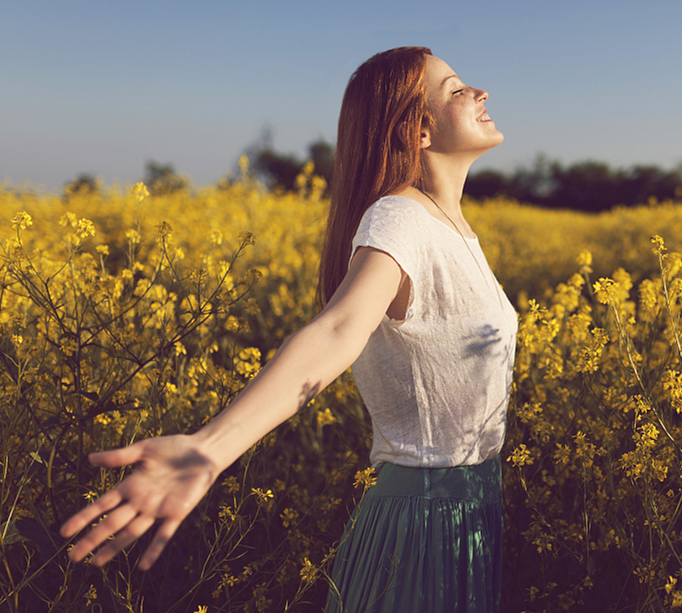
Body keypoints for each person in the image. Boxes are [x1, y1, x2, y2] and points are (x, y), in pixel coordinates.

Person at [59, 46, 517, 613]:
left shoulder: (451, 226)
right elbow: (335, 332)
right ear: (418, 130)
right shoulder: (400, 218)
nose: (480, 93)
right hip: (419, 521)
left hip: (472, 511)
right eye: (455, 89)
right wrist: (209, 448)